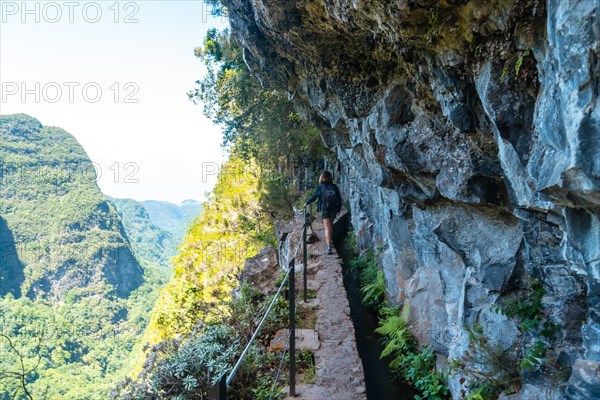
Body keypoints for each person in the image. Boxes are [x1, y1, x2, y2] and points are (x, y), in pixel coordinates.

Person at [304, 171, 342, 255]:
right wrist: (338, 209)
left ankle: (328, 246)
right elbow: (339, 199)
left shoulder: (320, 187)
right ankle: (329, 241)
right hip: (333, 209)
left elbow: (314, 196)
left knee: (327, 228)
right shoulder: (334, 187)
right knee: (330, 226)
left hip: (325, 209)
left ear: (321, 178)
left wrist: (307, 202)